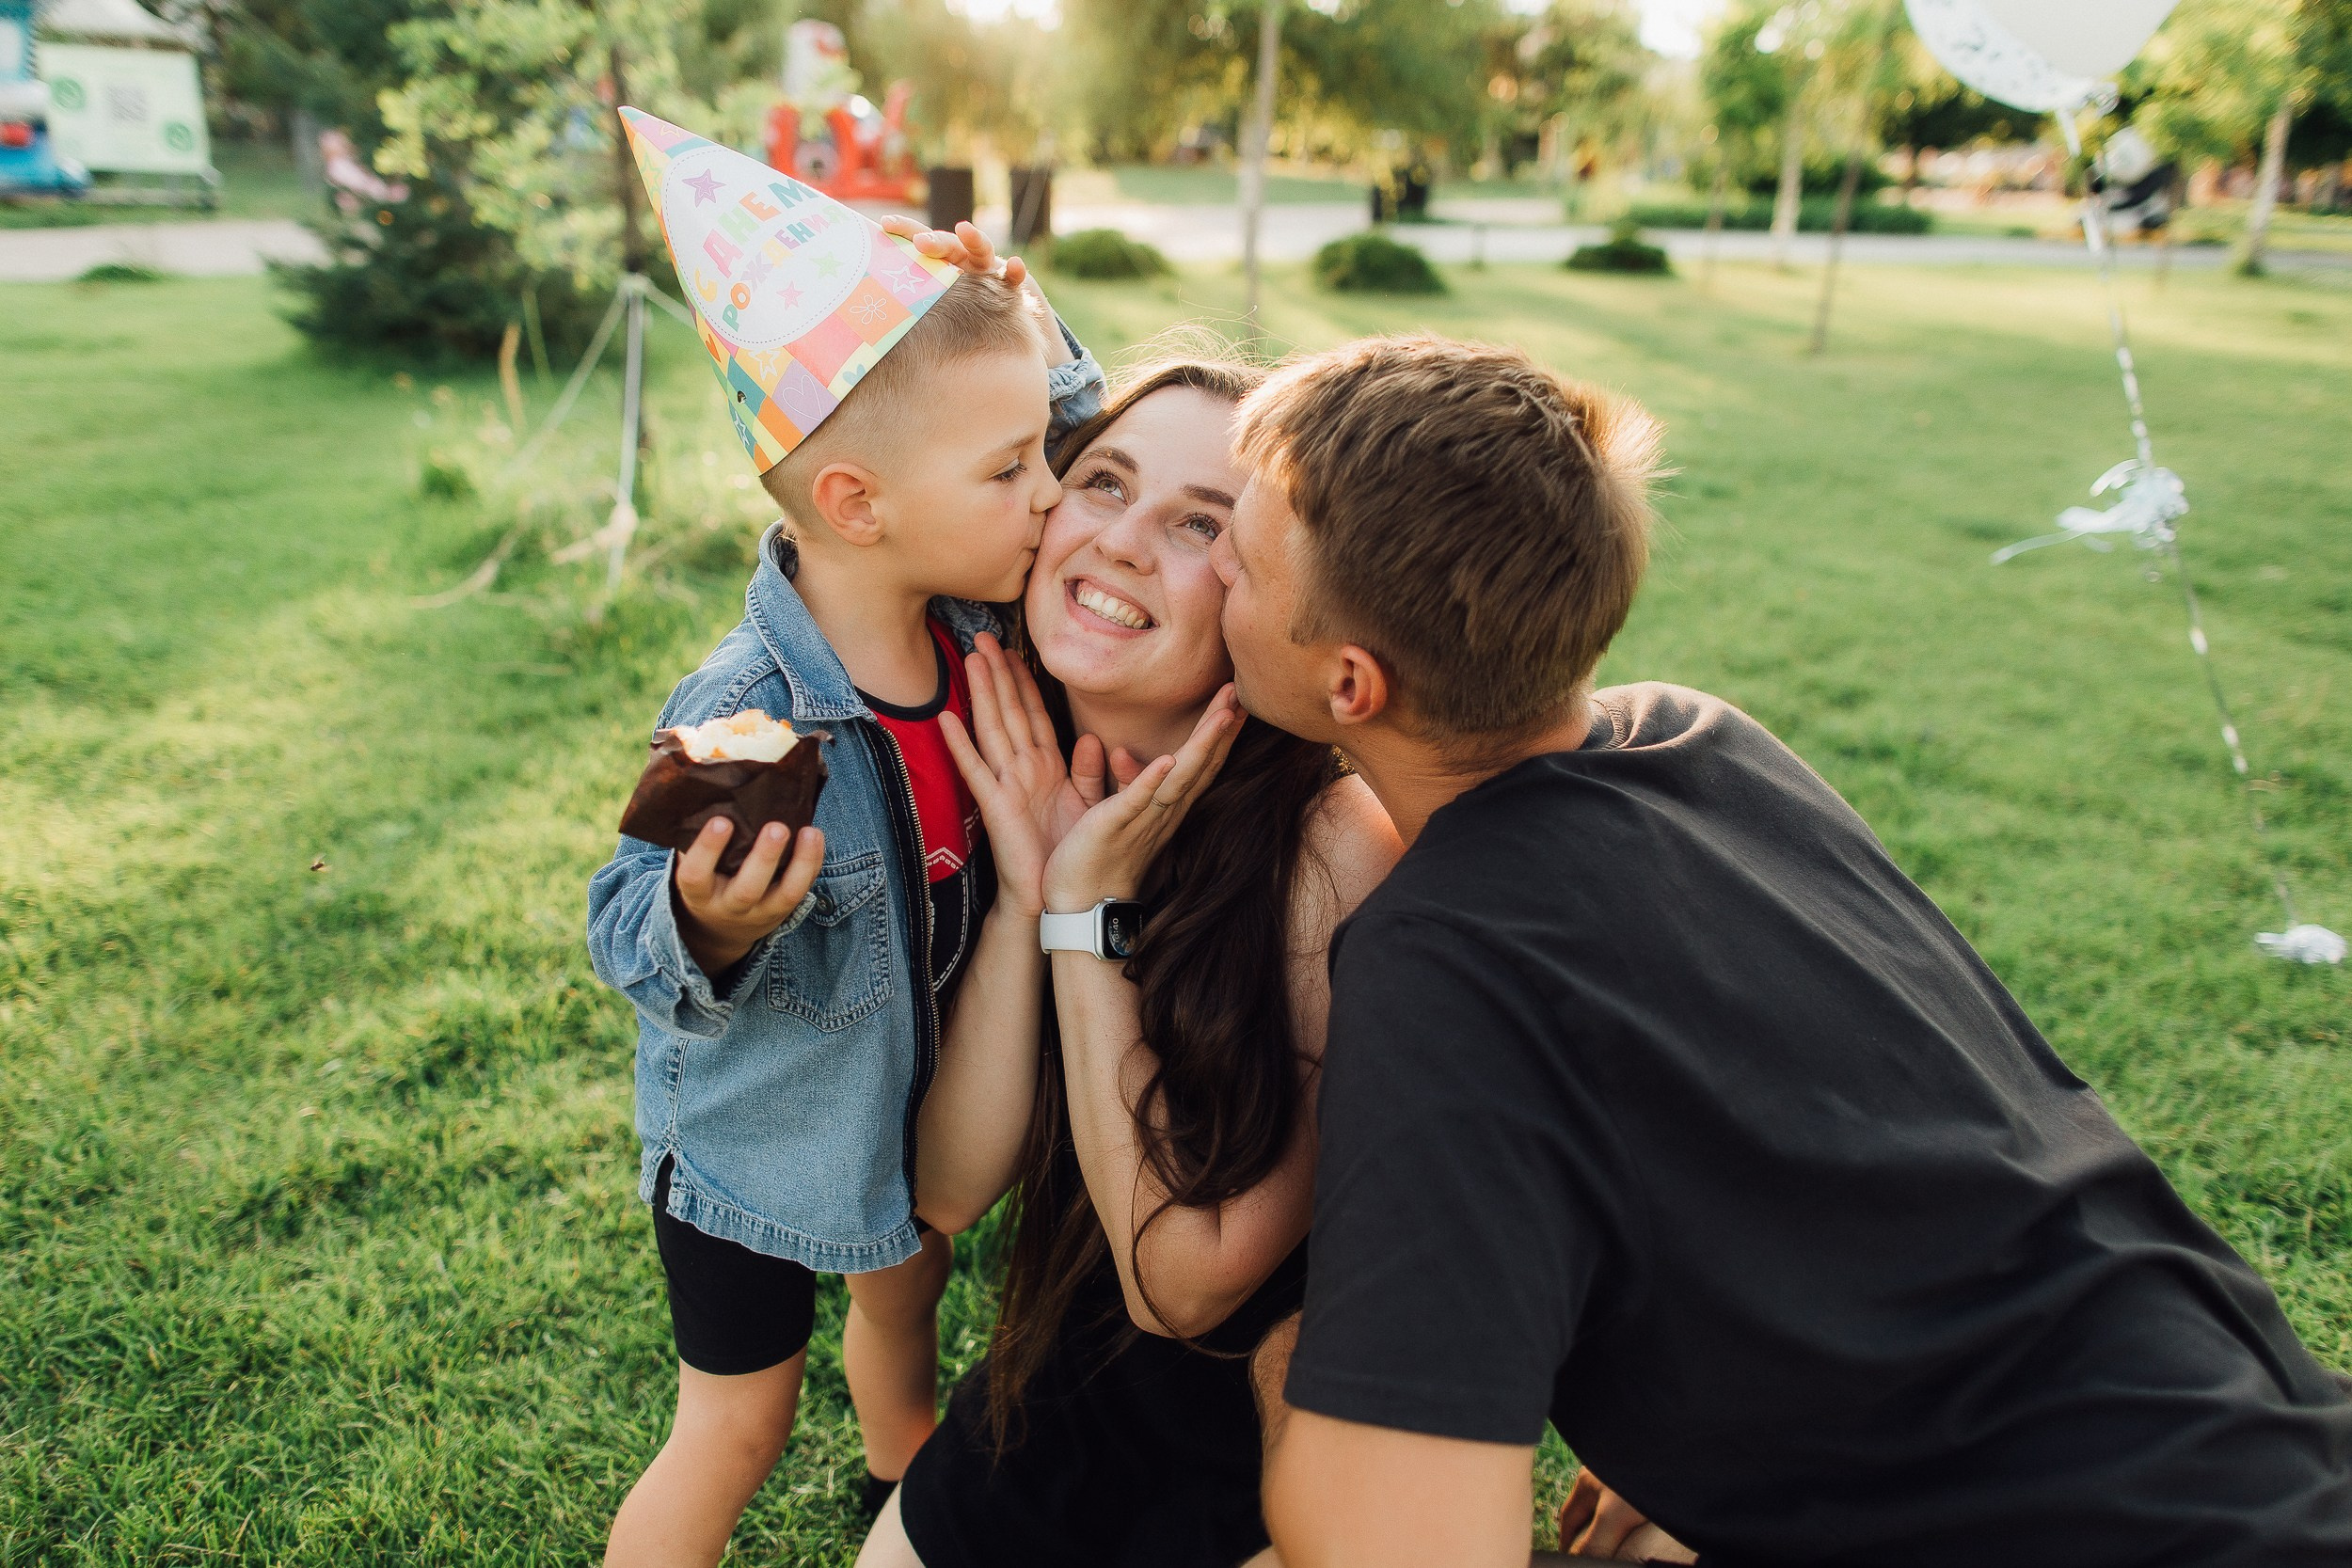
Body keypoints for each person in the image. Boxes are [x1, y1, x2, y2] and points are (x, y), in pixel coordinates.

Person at [1201, 334, 2352, 1567]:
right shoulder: (1702, 745)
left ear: (1353, 684)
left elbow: (1400, 1547)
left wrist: (1286, 1353)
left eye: (1241, 561)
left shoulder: (1449, 952)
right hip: (2274, 1458)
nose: (1210, 564)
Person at [583, 110, 1104, 1568]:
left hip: (908, 1118)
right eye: (1010, 471)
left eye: (1036, 458)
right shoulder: (747, 711)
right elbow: (620, 924)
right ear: (855, 504)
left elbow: (1079, 429)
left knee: (906, 1307)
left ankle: (897, 1490)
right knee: (736, 1427)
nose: (1051, 496)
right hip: (754, 1149)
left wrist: (1028, 320)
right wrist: (709, 923)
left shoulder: (977, 622)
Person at [852, 354, 1401, 1568]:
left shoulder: (1331, 847)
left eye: (1202, 523)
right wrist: (1029, 898)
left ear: (1274, 589)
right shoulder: (1006, 762)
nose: (1121, 541)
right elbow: (949, 1194)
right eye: (1103, 482)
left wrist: (1087, 918)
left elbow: (1192, 1292)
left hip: (1270, 1458)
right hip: (1061, 1394)